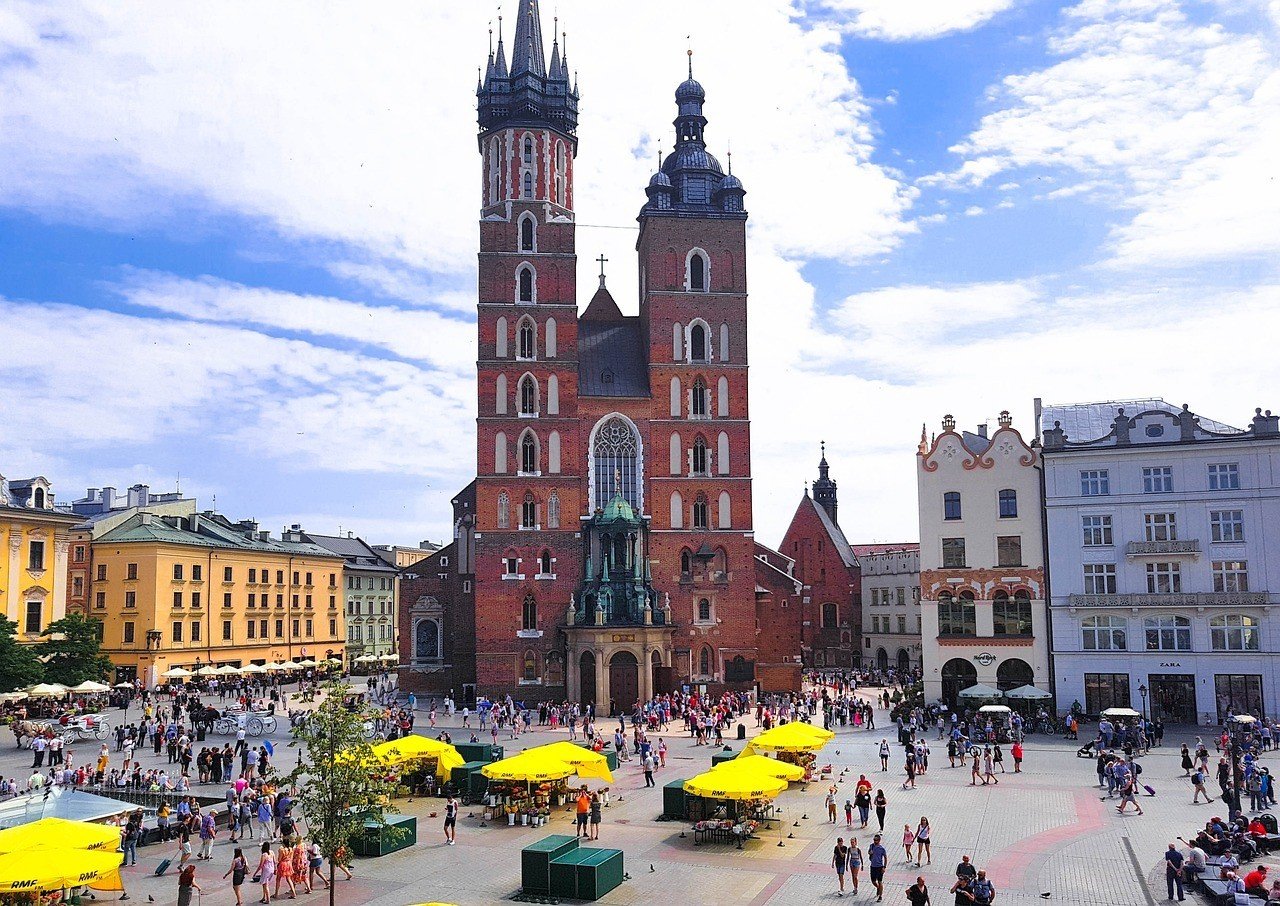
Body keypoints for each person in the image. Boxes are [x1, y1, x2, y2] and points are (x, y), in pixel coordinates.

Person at [869, 833, 888, 902]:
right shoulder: (871, 846)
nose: (875, 841)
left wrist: (884, 867)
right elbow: (869, 852)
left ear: (879, 840)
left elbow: (885, 858)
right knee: (873, 881)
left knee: (880, 881)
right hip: (873, 866)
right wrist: (870, 853)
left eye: (876, 840)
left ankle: (880, 896)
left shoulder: (882, 849)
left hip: (879, 867)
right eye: (874, 840)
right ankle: (878, 888)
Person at [255, 840, 276, 904]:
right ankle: (264, 897)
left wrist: (255, 873)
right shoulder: (272, 852)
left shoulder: (264, 855)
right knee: (265, 884)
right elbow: (275, 861)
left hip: (266, 871)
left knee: (265, 885)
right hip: (271, 869)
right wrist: (275, 869)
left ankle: (268, 899)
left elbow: (261, 865)